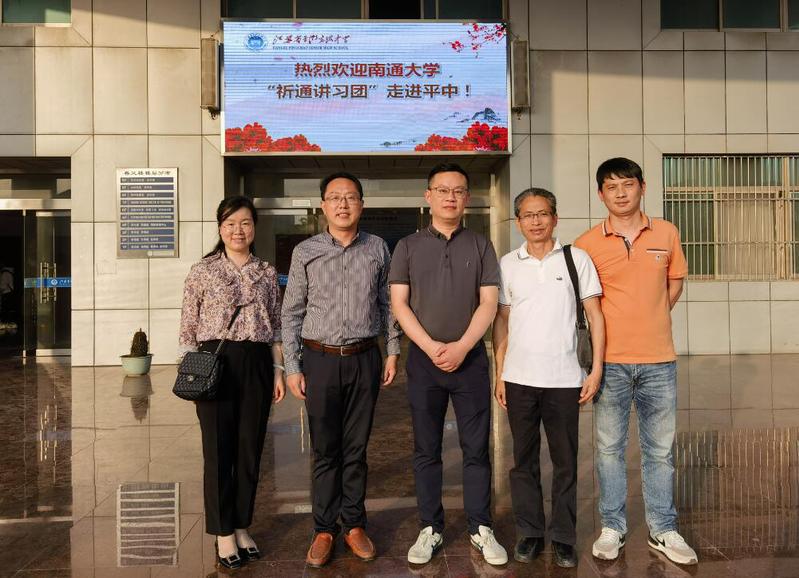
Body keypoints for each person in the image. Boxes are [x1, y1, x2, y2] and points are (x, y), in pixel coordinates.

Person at [574, 157, 698, 566]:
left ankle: (663, 529)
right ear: (600, 194)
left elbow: (674, 283)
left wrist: (652, 316)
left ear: (642, 187)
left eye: (628, 184)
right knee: (609, 450)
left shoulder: (666, 232)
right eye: (611, 187)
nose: (621, 193)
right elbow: (585, 304)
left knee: (659, 451)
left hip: (660, 361)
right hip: (609, 363)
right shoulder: (586, 244)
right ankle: (613, 527)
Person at [390, 163, 508, 566]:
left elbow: (489, 303)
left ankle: (481, 526)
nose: (450, 197)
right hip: (424, 364)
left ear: (467, 199)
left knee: (476, 448)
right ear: (429, 197)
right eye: (442, 190)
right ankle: (430, 527)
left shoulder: (481, 245)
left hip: (470, 361)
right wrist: (429, 347)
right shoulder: (407, 246)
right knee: (426, 449)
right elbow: (399, 304)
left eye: (458, 191)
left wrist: (461, 347)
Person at [281, 172, 401, 568]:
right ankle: (323, 528)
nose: (343, 204)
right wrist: (293, 366)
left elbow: (387, 304)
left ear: (361, 205)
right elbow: (291, 312)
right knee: (325, 449)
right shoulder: (306, 251)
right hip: (319, 359)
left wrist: (392, 350)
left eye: (350, 197)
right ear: (323, 206)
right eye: (335, 197)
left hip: (364, 357)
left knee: (356, 448)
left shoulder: (377, 248)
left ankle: (353, 524)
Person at [492, 188, 605, 568]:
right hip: (520, 379)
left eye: (543, 214)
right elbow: (502, 322)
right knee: (522, 461)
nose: (536, 221)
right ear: (518, 221)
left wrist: (596, 369)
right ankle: (530, 532)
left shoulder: (576, 259)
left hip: (565, 379)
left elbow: (595, 316)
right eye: (528, 215)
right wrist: (500, 374)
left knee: (565, 462)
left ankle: (563, 537)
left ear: (555, 218)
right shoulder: (508, 264)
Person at [179, 196, 285, 570]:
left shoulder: (267, 272)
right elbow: (188, 326)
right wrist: (191, 372)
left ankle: (241, 524)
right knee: (218, 450)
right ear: (220, 228)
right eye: (230, 223)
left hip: (256, 361)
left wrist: (278, 370)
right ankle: (223, 531)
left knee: (249, 449)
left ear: (254, 227)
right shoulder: (202, 271)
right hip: (215, 363)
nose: (238, 230)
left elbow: (276, 326)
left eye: (245, 223)